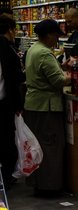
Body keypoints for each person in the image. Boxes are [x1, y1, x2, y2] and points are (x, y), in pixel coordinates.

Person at [23, 19, 72, 197]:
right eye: (57, 35)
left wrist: (60, 67)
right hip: (46, 107)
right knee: (50, 146)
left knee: (37, 147)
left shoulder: (33, 49)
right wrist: (72, 77)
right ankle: (49, 187)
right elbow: (57, 81)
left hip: (34, 105)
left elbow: (41, 72)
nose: (58, 39)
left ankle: (38, 183)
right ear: (50, 35)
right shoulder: (45, 53)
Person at [0, 15, 25, 192]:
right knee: (8, 149)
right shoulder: (5, 47)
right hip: (3, 107)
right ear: (10, 30)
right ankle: (5, 182)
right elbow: (14, 77)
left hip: (4, 104)